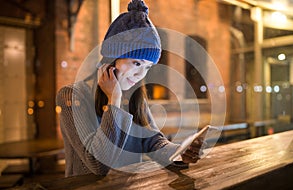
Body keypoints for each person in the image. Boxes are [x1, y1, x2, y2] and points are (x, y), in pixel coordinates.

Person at [56, 0, 205, 177]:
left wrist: (180, 152)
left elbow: (153, 141)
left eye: (147, 68)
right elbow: (97, 165)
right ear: (113, 57)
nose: (140, 74)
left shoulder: (133, 95)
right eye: (136, 63)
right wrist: (114, 101)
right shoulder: (71, 95)